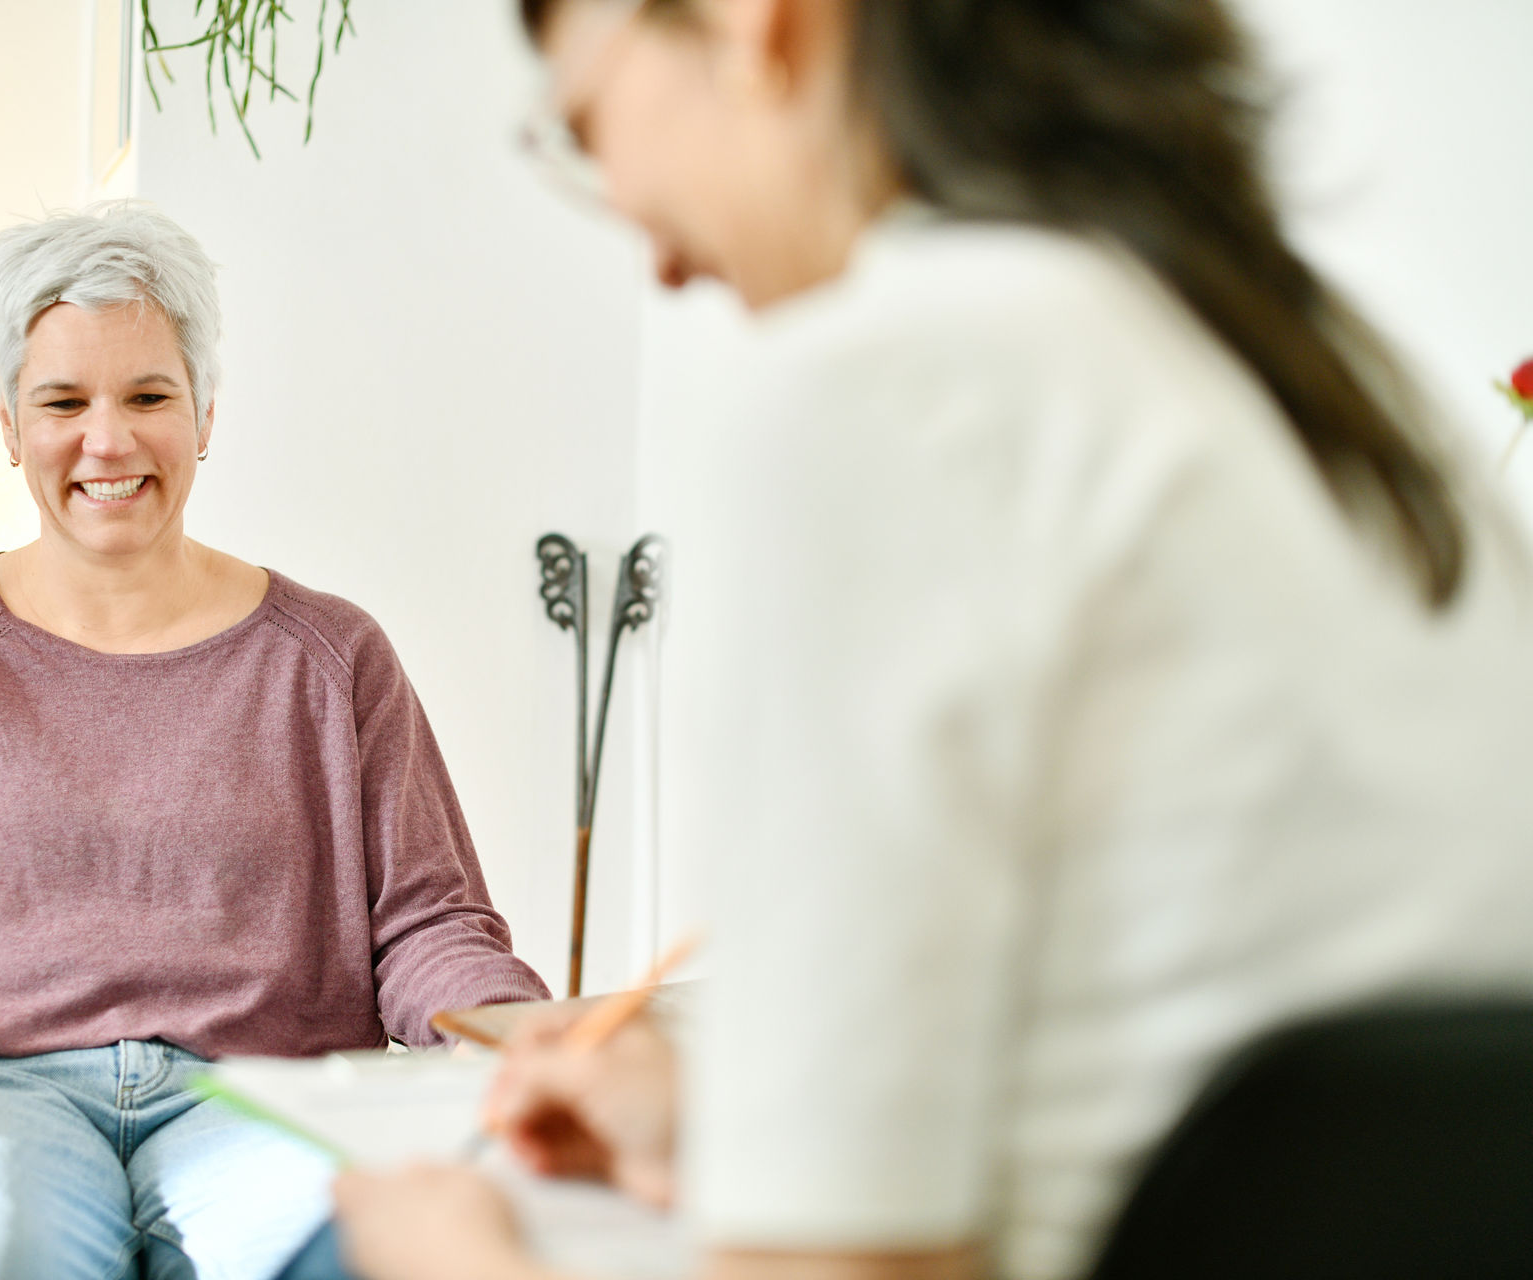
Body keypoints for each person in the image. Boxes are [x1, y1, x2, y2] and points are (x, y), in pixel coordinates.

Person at [319, 1, 1533, 1279]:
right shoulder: (1340, 382)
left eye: (587, 124)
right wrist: (735, 1133)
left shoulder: (881, 386)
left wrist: (454, 1262)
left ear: (750, 24)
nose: (652, 256)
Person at [0, 201, 549, 1279]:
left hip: (264, 1100)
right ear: (9, 426)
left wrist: (514, 1031)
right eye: (63, 400)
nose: (106, 440)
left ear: (204, 414)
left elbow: (430, 925)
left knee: (382, 1247)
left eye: (148, 396)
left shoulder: (334, 658)